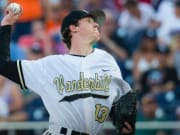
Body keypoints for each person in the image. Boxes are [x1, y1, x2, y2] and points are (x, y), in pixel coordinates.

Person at [0, 4, 135, 135]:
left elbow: (119, 100)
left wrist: (124, 118)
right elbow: (3, 65)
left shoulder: (107, 60)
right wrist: (6, 24)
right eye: (89, 21)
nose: (96, 24)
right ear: (74, 28)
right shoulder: (51, 64)